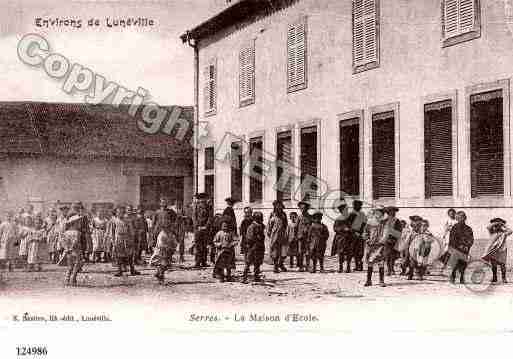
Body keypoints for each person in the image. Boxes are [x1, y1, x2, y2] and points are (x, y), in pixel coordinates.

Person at [61, 202, 90, 286]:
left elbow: (86, 228)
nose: (78, 209)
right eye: (76, 207)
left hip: (74, 242)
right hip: (76, 242)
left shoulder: (83, 216)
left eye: (79, 207)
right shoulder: (72, 216)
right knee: (77, 261)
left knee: (72, 262)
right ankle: (72, 277)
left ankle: (68, 278)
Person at [110, 206, 140, 277]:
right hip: (118, 239)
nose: (120, 214)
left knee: (130, 255)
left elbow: (131, 230)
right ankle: (119, 270)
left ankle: (132, 270)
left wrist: (131, 239)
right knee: (119, 256)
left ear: (123, 213)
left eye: (121, 212)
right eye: (118, 212)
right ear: (116, 213)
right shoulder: (114, 221)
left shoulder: (127, 220)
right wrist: (113, 240)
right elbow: (112, 232)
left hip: (127, 239)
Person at [482, 218, 512, 284]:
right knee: (494, 264)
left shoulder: (504, 233)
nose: (497, 227)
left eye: (499, 225)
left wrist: (503, 225)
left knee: (503, 264)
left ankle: (503, 278)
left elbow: (510, 231)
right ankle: (495, 278)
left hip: (502, 250)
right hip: (493, 250)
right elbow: (488, 227)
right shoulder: (492, 232)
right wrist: (496, 223)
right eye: (496, 226)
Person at [150, 215, 178, 284]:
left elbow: (174, 242)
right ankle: (160, 278)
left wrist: (173, 247)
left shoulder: (171, 234)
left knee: (166, 265)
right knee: (162, 265)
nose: (168, 229)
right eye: (166, 228)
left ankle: (158, 273)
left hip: (168, 252)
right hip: (160, 252)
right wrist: (167, 247)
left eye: (169, 228)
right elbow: (160, 244)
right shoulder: (161, 234)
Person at [448, 211, 474, 284]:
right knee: (454, 264)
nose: (461, 219)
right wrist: (458, 246)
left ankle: (462, 278)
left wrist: (467, 246)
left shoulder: (469, 229)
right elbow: (452, 239)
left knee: (463, 264)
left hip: (465, 250)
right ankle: (453, 277)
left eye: (462, 217)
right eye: (459, 218)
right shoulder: (455, 227)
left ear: (465, 218)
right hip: (456, 249)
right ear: (456, 218)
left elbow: (471, 239)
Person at [364, 208, 387, 287]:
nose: (378, 213)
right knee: (370, 262)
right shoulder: (370, 222)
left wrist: (382, 241)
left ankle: (381, 280)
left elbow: (386, 233)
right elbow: (365, 232)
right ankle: (368, 280)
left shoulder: (385, 223)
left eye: (380, 212)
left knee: (381, 263)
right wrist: (367, 239)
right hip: (371, 245)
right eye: (377, 212)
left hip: (380, 245)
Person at [242, 211, 266, 284]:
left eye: (260, 218)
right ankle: (244, 277)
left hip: (259, 247)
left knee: (257, 262)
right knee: (248, 262)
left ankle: (256, 276)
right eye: (258, 218)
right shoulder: (252, 226)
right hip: (252, 247)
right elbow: (249, 237)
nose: (260, 219)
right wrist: (256, 239)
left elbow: (262, 236)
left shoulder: (261, 226)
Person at [213, 218, 238, 282]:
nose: (225, 227)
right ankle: (221, 276)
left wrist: (232, 244)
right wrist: (219, 244)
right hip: (221, 252)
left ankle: (228, 276)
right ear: (221, 226)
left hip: (229, 252)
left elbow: (236, 240)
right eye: (223, 226)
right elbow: (215, 241)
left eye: (226, 226)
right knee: (221, 265)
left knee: (228, 265)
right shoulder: (219, 233)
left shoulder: (231, 233)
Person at [268, 200, 288, 273]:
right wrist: (269, 232)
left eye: (280, 207)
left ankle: (281, 264)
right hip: (274, 234)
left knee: (283, 251)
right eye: (277, 207)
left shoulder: (283, 215)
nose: (279, 209)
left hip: (282, 234)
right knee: (275, 251)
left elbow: (286, 224)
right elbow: (269, 225)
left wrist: (285, 232)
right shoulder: (272, 214)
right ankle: (275, 266)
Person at [332, 201, 353, 273]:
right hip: (340, 238)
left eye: (346, 209)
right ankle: (340, 267)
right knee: (340, 253)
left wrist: (349, 229)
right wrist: (342, 229)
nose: (346, 211)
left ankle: (348, 267)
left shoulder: (350, 218)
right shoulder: (338, 219)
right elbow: (335, 228)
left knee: (349, 253)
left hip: (349, 238)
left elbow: (353, 227)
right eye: (344, 210)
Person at [192, 193, 212, 268]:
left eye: (203, 199)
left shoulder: (208, 207)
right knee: (197, 245)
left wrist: (206, 226)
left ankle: (204, 261)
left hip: (205, 229)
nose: (202, 201)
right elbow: (194, 217)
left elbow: (210, 218)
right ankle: (197, 262)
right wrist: (197, 226)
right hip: (198, 229)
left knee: (204, 245)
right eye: (200, 199)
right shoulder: (196, 207)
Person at [382, 206, 403, 275]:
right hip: (386, 240)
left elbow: (400, 230)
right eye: (391, 212)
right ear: (388, 213)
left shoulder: (397, 221)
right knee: (387, 255)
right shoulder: (384, 221)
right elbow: (381, 230)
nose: (393, 213)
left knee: (393, 256)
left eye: (394, 212)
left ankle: (392, 269)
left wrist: (393, 234)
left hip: (394, 240)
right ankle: (388, 269)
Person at [350, 200, 367, 271]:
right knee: (354, 250)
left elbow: (365, 223)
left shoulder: (362, 214)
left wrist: (362, 232)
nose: (358, 207)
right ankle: (357, 264)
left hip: (361, 234)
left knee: (360, 250)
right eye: (356, 206)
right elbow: (349, 224)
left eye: (359, 206)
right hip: (353, 235)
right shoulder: (351, 214)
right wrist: (354, 232)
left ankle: (360, 264)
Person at [296, 201, 312, 272]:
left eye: (304, 208)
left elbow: (311, 227)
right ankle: (300, 266)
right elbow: (296, 227)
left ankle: (308, 266)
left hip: (308, 237)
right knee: (300, 252)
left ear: (307, 209)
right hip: (300, 237)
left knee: (308, 252)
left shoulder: (310, 217)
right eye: (301, 208)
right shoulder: (299, 217)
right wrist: (296, 236)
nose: (302, 210)